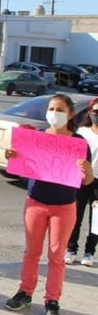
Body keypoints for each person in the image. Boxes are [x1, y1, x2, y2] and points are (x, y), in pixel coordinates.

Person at [4, 94, 94, 315]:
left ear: (71, 114)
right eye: (52, 108)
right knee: (31, 253)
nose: (54, 113)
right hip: (35, 202)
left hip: (64, 206)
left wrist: (86, 171)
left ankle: (52, 301)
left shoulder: (79, 144)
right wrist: (11, 157)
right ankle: (25, 292)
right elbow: (19, 170)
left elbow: (87, 182)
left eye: (60, 109)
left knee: (56, 256)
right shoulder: (37, 138)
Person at [66, 97, 98, 267]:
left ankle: (89, 252)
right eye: (96, 112)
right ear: (90, 113)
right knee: (75, 216)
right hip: (80, 179)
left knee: (97, 220)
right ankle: (71, 249)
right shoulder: (83, 133)